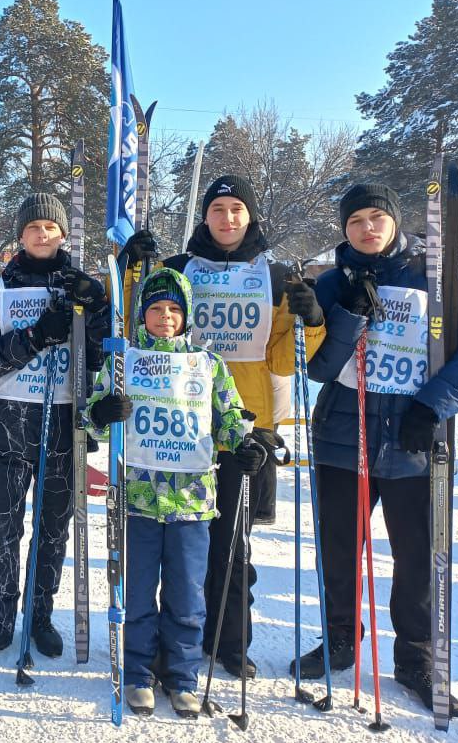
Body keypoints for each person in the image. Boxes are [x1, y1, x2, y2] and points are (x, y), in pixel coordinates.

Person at [296, 183, 458, 716]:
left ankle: (415, 658)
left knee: (417, 557)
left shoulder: (441, 274)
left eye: (377, 217)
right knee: (339, 551)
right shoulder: (329, 283)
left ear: (394, 221)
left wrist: (433, 405)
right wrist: (346, 317)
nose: (368, 228)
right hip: (343, 438)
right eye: (356, 220)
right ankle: (341, 636)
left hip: (416, 440)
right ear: (343, 230)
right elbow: (317, 366)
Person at [120, 175, 325, 678]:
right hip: (175, 425)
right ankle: (172, 640)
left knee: (232, 543)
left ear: (249, 215)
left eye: (237, 208)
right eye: (218, 209)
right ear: (204, 217)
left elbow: (283, 361)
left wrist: (312, 319)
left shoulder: (273, 276)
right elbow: (132, 327)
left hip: (244, 425)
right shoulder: (177, 269)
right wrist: (130, 269)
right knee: (176, 543)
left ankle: (229, 641)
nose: (227, 218)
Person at [84, 267, 265, 718]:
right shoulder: (123, 361)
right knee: (139, 591)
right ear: (142, 313)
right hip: (139, 498)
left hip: (192, 500)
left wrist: (245, 444)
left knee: (187, 594)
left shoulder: (208, 362)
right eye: (155, 308)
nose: (165, 317)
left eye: (173, 310)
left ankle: (183, 675)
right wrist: (103, 412)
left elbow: (228, 418)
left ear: (186, 316)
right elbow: (91, 417)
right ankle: (140, 672)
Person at [0, 193, 108, 668]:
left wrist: (98, 306)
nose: (42, 235)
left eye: (50, 227)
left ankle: (39, 615)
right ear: (20, 236)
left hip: (65, 423)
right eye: (32, 229)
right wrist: (34, 336)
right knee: (1, 527)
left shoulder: (81, 289)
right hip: (10, 422)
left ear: (63, 234)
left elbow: (107, 355)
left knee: (53, 528)